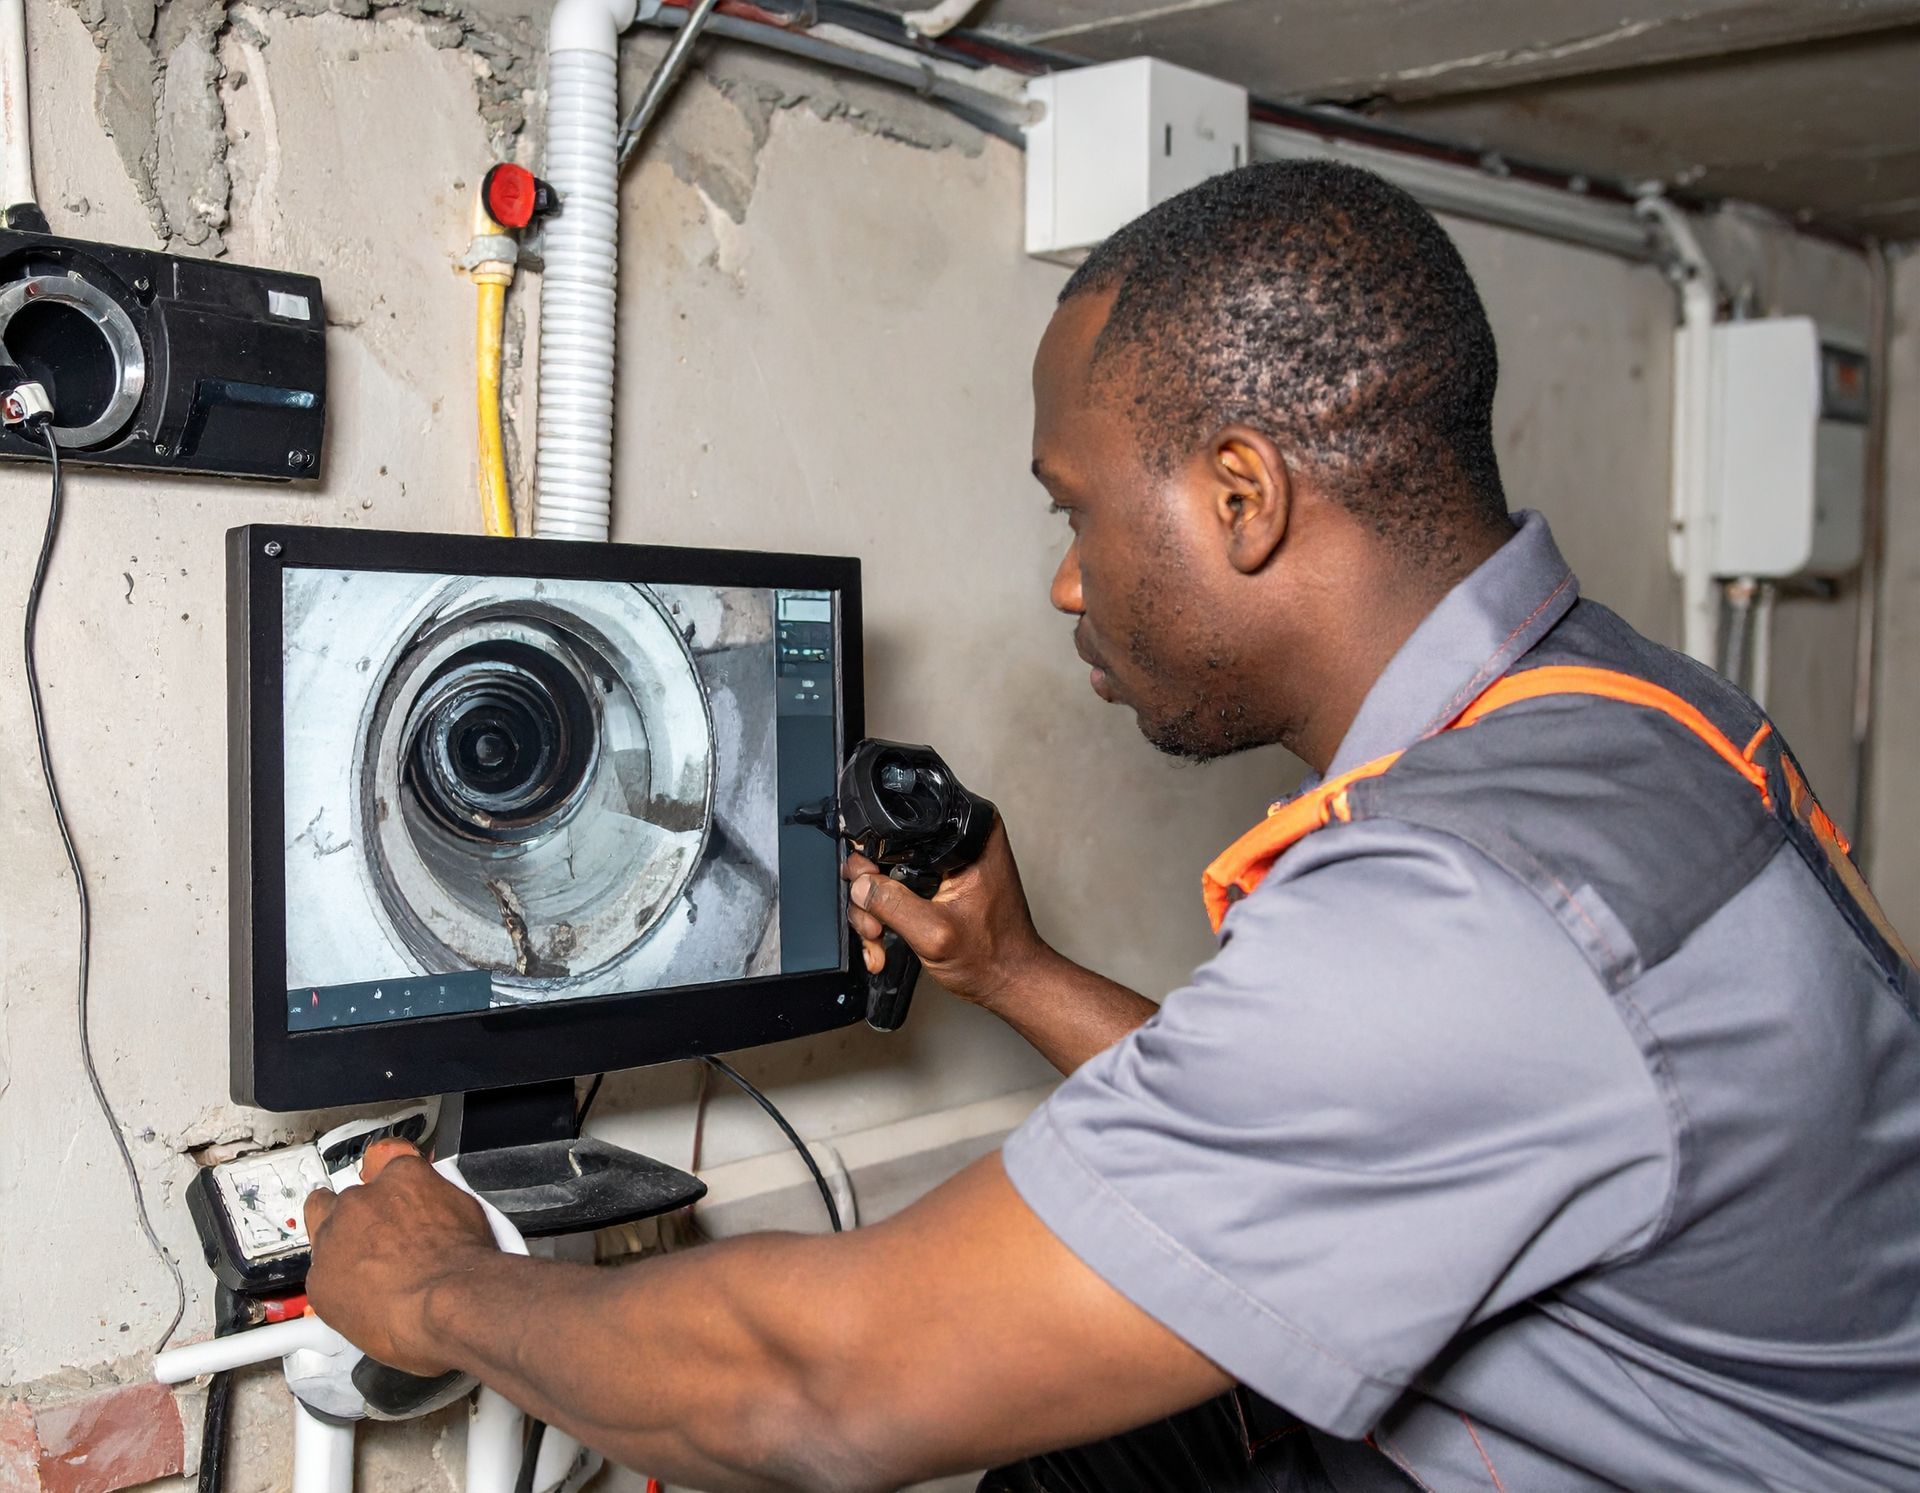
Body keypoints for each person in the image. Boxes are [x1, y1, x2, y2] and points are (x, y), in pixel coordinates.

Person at [303, 161, 1920, 1492]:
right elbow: (1370, 1122)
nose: (1069, 578)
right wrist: (1012, 968)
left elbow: (828, 1390)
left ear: (1241, 495)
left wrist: (440, 1287)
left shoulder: (1467, 900)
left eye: (1074, 506)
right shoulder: (1616, 709)